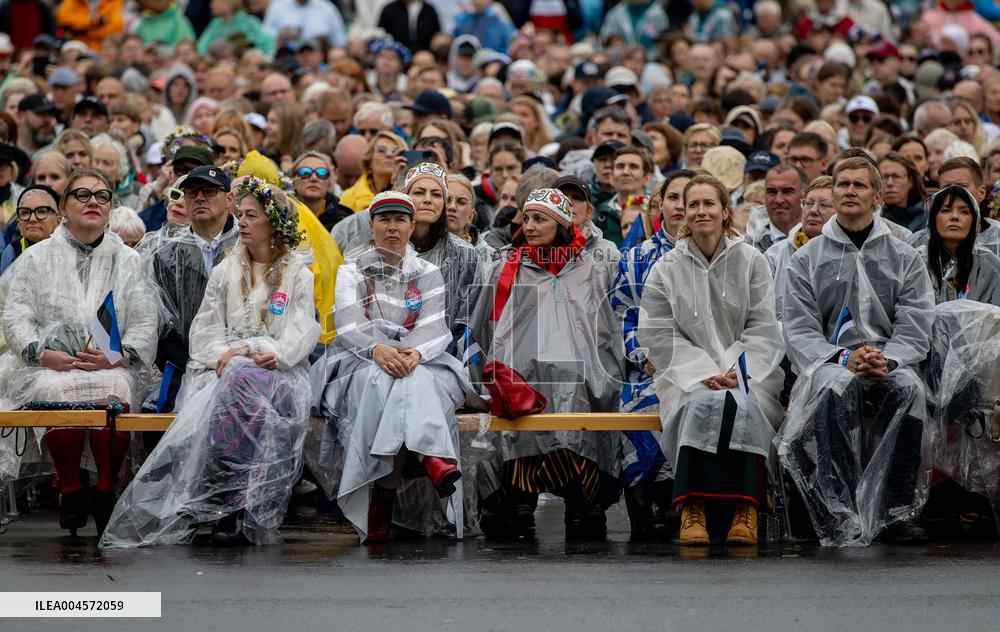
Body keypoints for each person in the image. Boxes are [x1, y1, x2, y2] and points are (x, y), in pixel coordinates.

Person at [102, 175, 320, 547]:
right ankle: (230, 501)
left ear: (273, 224)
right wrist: (226, 355)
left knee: (240, 380)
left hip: (277, 372)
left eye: (251, 215)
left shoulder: (297, 273)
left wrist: (248, 350)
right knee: (231, 381)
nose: (242, 222)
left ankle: (224, 496)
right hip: (219, 370)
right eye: (242, 214)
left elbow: (300, 333)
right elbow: (204, 332)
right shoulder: (225, 270)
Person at [777, 156, 935, 546]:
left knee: (907, 390)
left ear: (877, 196)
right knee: (835, 388)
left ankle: (896, 512)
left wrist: (890, 359)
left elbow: (916, 320)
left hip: (889, 360)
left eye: (859, 185)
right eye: (843, 184)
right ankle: (837, 508)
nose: (850, 191)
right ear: (833, 193)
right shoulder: (807, 259)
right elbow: (799, 329)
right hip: (829, 361)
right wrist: (844, 358)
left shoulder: (904, 256)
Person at [0, 168, 158, 536]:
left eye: (102, 196)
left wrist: (118, 355)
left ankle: (105, 488)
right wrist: (41, 354)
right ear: (64, 208)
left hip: (109, 362)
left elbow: (145, 318)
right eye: (82, 195)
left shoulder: (129, 260)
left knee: (117, 389)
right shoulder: (37, 259)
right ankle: (70, 488)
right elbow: (16, 315)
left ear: (110, 207)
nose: (93, 202)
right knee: (53, 390)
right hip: (51, 364)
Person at [322, 191, 483, 543]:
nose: (392, 227)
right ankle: (431, 455)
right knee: (386, 380)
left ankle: (382, 498)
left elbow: (434, 326)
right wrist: (377, 348)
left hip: (417, 359)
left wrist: (414, 354)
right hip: (358, 359)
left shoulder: (428, 272)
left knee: (408, 378)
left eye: (400, 220)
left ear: (411, 226)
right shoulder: (352, 269)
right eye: (384, 220)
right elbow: (348, 323)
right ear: (371, 225)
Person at [470, 188, 624, 540]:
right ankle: (518, 497)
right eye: (526, 218)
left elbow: (604, 328)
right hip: (519, 372)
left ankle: (580, 499)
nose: (529, 226)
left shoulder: (591, 268)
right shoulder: (506, 267)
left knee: (574, 394)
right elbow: (484, 326)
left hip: (579, 372)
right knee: (526, 403)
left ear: (562, 225)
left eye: (540, 219)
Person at [639, 174, 784, 546]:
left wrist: (738, 370)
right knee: (699, 404)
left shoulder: (751, 261)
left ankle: (746, 509)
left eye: (709, 204)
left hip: (748, 370)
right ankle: (693, 507)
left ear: (725, 211)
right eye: (693, 205)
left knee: (745, 405)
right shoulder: (667, 268)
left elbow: (764, 325)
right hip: (685, 373)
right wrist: (701, 371)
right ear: (684, 213)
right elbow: (658, 332)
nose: (701, 211)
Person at [610, 169, 696, 539]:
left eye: (690, 199)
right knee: (639, 403)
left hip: (705, 368)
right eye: (673, 197)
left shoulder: (722, 255)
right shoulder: (636, 258)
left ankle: (690, 503)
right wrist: (646, 356)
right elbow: (622, 316)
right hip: (649, 368)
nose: (681, 206)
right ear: (659, 205)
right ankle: (650, 505)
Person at [149, 165, 240, 413]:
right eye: (191, 192)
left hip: (243, 365)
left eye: (209, 191)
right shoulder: (165, 257)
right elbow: (162, 330)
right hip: (184, 370)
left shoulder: (250, 247)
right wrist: (194, 365)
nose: (199, 198)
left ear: (229, 199)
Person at [767, 176, 837, 323]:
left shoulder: (849, 253)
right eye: (808, 203)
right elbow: (762, 312)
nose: (814, 211)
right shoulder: (775, 255)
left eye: (824, 205)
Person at [338, 131, 407, 214]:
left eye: (396, 151)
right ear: (369, 161)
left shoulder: (414, 194)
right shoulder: (348, 198)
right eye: (381, 150)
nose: (389, 154)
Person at [0, 184, 61, 275]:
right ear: (19, 223)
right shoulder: (12, 251)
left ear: (58, 221)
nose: (32, 219)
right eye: (25, 213)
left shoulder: (70, 250)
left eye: (41, 211)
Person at [748, 165, 806, 254]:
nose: (778, 200)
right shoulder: (750, 246)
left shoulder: (818, 238)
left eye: (787, 191)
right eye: (772, 192)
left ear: (804, 194)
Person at [290, 151, 352, 231]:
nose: (314, 178)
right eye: (305, 172)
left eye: (322, 173)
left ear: (329, 183)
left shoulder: (344, 220)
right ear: (293, 182)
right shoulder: (280, 214)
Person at [879, 153, 928, 232]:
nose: (889, 183)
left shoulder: (927, 219)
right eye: (883, 177)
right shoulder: (871, 219)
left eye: (896, 176)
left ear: (911, 181)